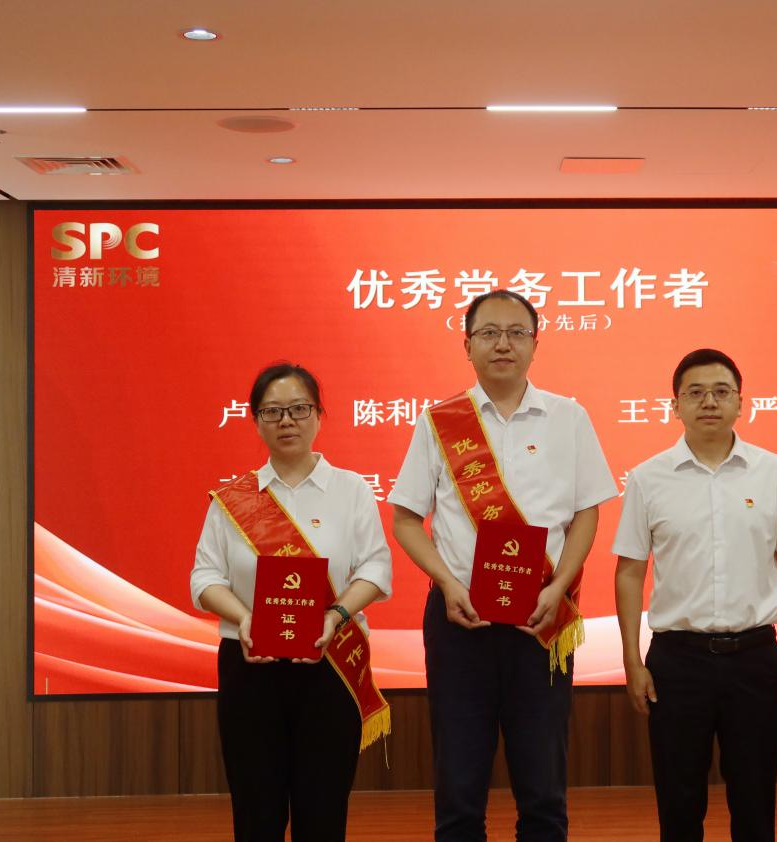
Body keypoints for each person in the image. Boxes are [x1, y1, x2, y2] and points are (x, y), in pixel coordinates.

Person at [389, 290, 617, 842]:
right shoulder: (440, 422)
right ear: (467, 345)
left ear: (535, 344)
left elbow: (587, 514)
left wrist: (559, 586)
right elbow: (405, 520)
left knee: (543, 785)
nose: (503, 344)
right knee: (459, 783)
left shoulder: (568, 417)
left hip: (542, 620)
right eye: (489, 333)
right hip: (459, 619)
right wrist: (447, 584)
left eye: (516, 332)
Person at [612, 348, 777, 842]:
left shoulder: (772, 471)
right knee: (679, 803)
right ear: (675, 405)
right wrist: (632, 661)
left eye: (722, 392)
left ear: (741, 403)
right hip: (677, 662)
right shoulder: (648, 477)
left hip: (755, 658)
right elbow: (630, 572)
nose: (709, 402)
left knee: (755, 800)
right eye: (696, 393)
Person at [190, 362, 393, 842]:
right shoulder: (233, 499)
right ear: (256, 420)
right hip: (250, 665)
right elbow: (204, 577)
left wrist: (335, 614)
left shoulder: (352, 490)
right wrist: (245, 618)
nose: (287, 421)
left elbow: (375, 568)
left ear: (319, 415)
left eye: (299, 409)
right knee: (255, 813)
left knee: (322, 812)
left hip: (329, 663)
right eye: (273, 411)